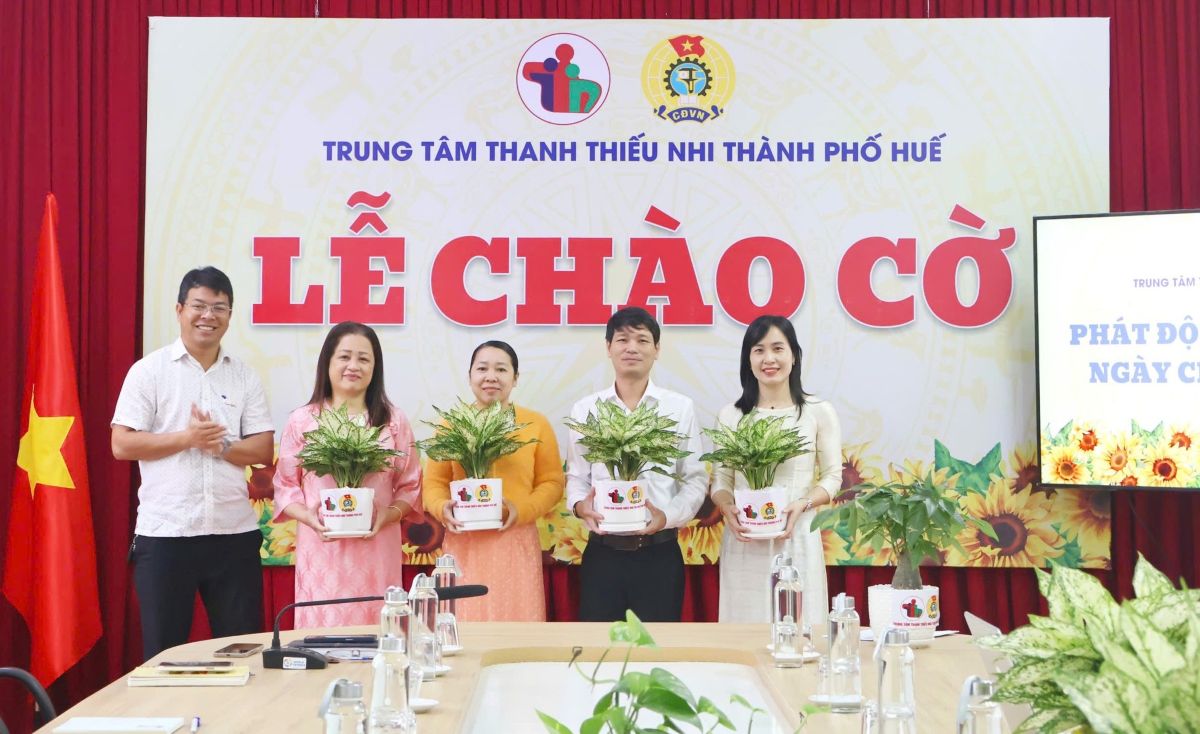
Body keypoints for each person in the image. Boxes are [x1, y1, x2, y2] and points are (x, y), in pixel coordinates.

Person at [112, 266, 275, 660]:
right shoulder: (149, 372)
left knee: (244, 654)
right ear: (179, 310)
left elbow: (262, 449)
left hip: (233, 535)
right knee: (164, 656)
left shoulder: (244, 377)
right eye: (199, 306)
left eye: (219, 307)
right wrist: (187, 439)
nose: (208, 316)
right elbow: (121, 444)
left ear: (230, 315)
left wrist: (220, 447)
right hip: (166, 535)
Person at [273, 321, 422, 627]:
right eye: (344, 357)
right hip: (322, 551)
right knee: (322, 634)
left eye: (363, 359)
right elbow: (285, 486)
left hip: (377, 549)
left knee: (379, 632)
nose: (353, 366)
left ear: (375, 368)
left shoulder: (393, 421)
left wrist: (389, 515)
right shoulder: (303, 420)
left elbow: (410, 485)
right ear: (327, 362)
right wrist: (308, 516)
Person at [567, 307, 707, 622]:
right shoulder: (586, 410)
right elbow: (577, 477)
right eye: (622, 340)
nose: (632, 348)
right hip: (603, 554)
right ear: (608, 347)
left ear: (657, 349)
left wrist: (667, 517)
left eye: (642, 340)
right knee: (599, 645)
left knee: (657, 645)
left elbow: (695, 478)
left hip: (659, 554)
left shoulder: (679, 408)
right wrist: (579, 506)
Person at [711, 315, 842, 628]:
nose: (768, 359)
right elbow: (721, 480)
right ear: (748, 359)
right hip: (745, 540)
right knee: (743, 630)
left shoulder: (817, 412)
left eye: (778, 348)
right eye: (758, 350)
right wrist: (726, 506)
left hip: (796, 535)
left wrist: (803, 504)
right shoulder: (731, 415)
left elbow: (832, 477)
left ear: (794, 356)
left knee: (798, 628)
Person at [423, 341, 565, 621]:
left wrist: (520, 511)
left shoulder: (535, 424)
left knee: (518, 622)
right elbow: (433, 484)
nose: (491, 377)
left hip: (515, 540)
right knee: (463, 622)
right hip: (465, 542)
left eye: (501, 369)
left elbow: (552, 483)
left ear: (515, 378)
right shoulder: (451, 425)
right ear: (470, 376)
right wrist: (442, 508)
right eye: (482, 369)